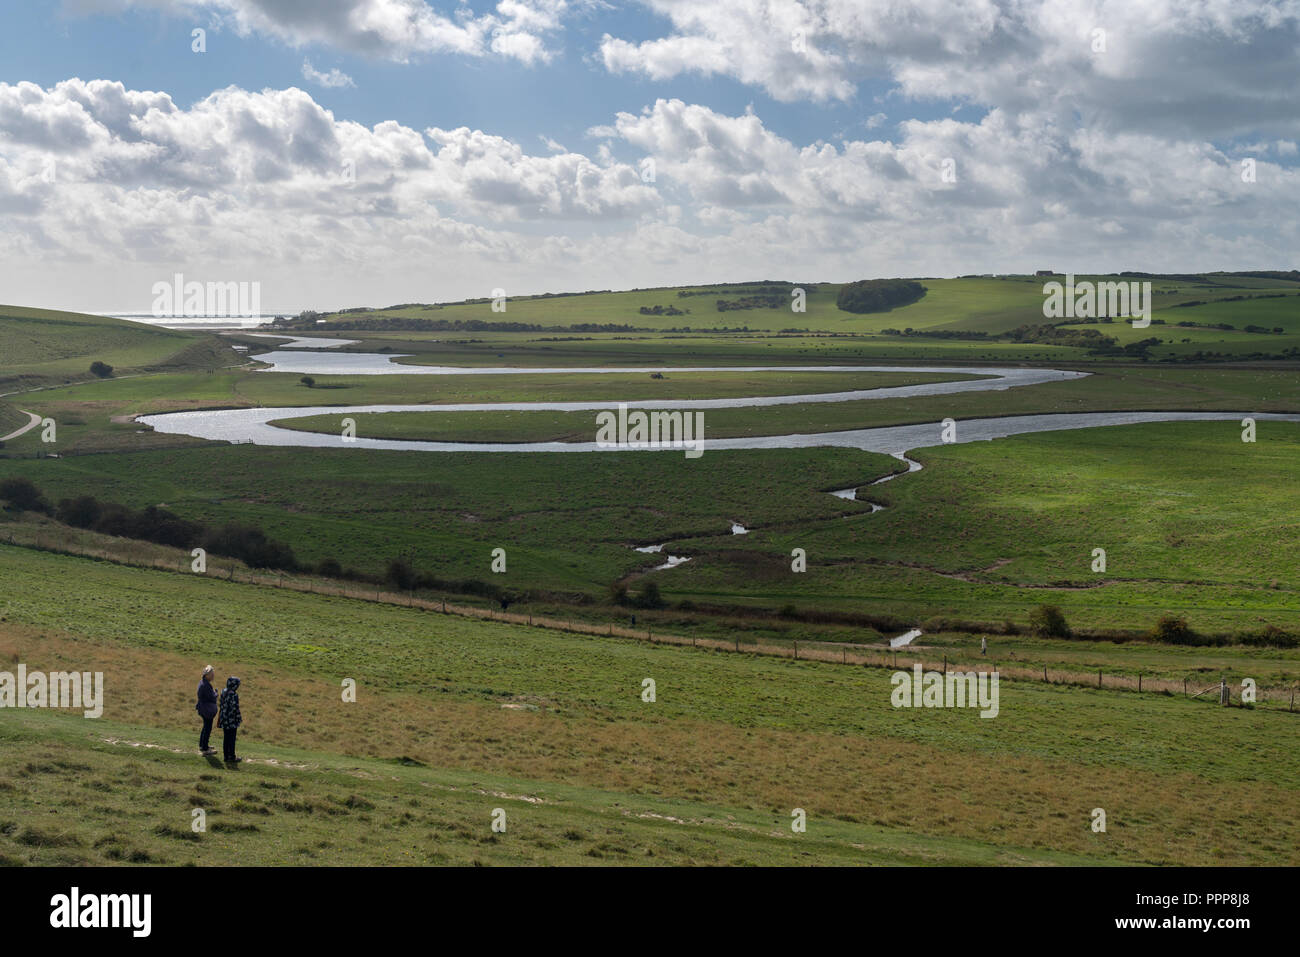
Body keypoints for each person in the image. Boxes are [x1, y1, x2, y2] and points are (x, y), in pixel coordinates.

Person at [217, 676, 243, 763]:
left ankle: (226, 756)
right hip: (231, 720)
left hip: (224, 719)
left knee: (226, 738)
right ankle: (232, 756)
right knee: (232, 739)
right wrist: (239, 718)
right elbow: (235, 708)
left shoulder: (223, 691)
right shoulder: (234, 694)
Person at [195, 666, 218, 754]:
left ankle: (203, 744)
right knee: (207, 728)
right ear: (207, 675)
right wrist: (216, 693)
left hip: (203, 708)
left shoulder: (203, 682)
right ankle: (205, 748)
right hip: (206, 709)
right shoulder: (206, 685)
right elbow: (212, 697)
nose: (213, 676)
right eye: (212, 674)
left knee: (205, 727)